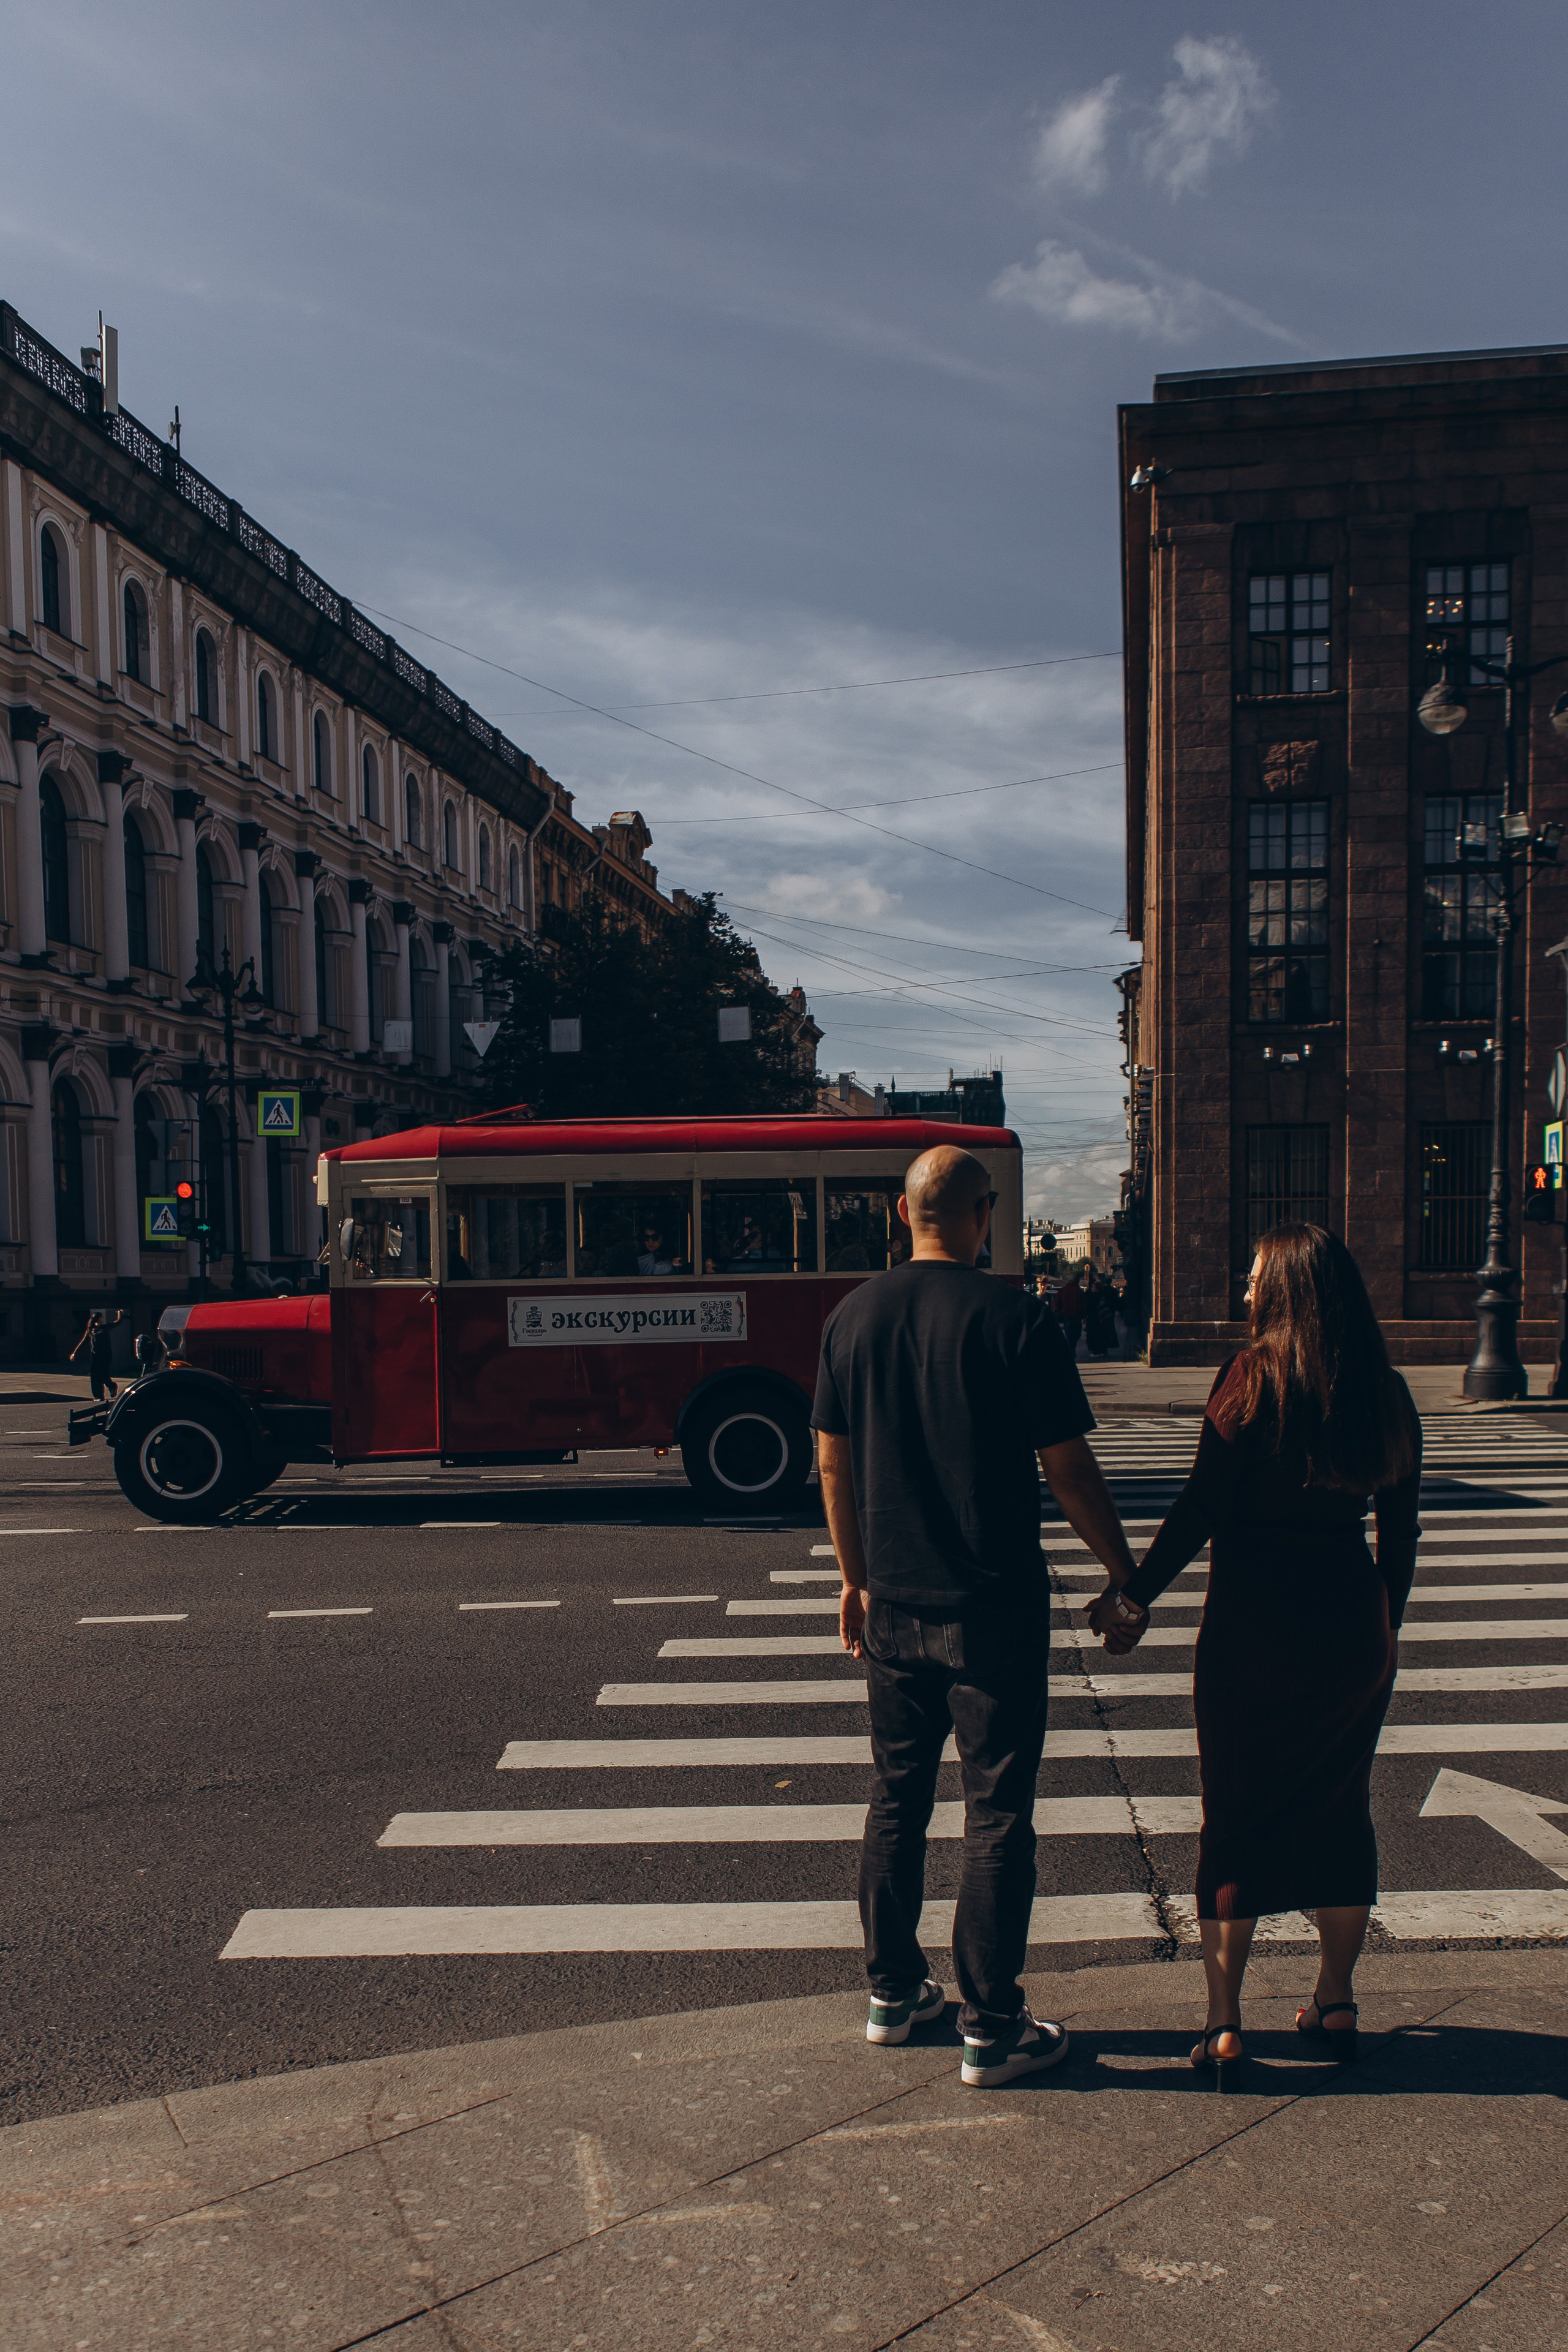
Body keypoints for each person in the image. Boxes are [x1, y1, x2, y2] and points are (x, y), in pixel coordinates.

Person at [813, 1144, 1140, 2088]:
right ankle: (991, 2026)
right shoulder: (1014, 1317)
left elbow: (833, 1464)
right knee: (996, 1814)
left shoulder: (850, 1318)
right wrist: (1122, 1572)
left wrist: (852, 1576)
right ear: (981, 1214)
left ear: (899, 1213)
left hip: (893, 1604)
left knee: (896, 1798)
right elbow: (1068, 1469)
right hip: (992, 1603)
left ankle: (892, 1993)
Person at [1091, 1223, 1421, 2090]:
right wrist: (1385, 1621)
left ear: (1283, 1291)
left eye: (1254, 1278)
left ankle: (1226, 2022)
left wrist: (1134, 1594)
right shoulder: (1384, 1392)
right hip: (1352, 1622)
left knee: (1234, 1815)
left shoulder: (1251, 1379)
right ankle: (1337, 2000)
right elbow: (1402, 1530)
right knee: (1341, 1807)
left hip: (1253, 1623)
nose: (1243, 1292)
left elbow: (1201, 1506)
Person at [70, 1309, 123, 1402]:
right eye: (102, 1318)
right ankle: (99, 1396)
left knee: (104, 1374)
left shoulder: (105, 1328)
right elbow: (84, 1341)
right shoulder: (91, 1330)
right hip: (95, 1356)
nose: (103, 1319)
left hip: (106, 1355)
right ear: (100, 1319)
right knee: (95, 1376)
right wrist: (75, 1352)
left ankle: (112, 1386)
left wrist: (120, 1314)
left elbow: (117, 1322)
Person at [1054, 1268, 1084, 1357]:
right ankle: (1072, 1350)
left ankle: (1071, 1350)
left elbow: (1057, 1304)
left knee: (1069, 1334)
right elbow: (1083, 1305)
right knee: (1076, 1334)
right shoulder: (1079, 1291)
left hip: (1066, 1315)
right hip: (1077, 1316)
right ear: (1077, 1281)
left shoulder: (1063, 1290)